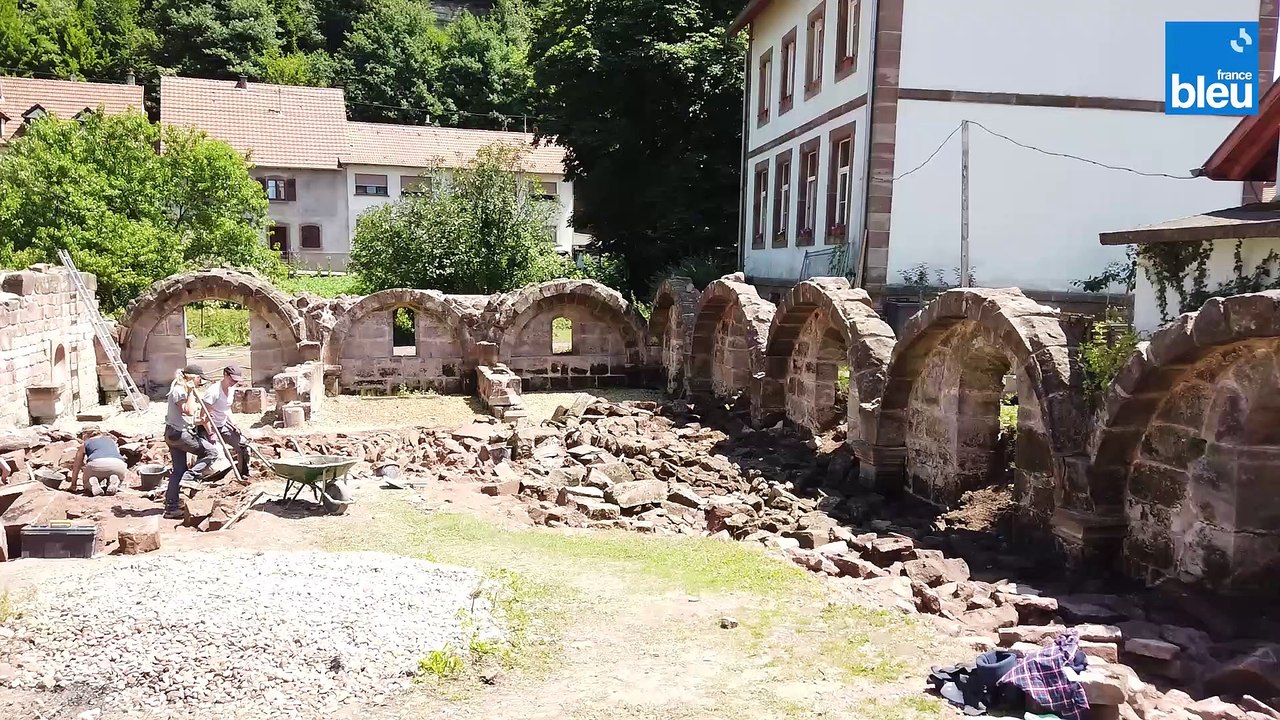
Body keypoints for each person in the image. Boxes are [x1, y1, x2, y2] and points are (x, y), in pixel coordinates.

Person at [163, 364, 228, 520]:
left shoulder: (181, 389)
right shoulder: (180, 390)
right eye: (200, 379)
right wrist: (192, 391)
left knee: (178, 470)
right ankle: (191, 476)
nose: (201, 383)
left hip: (174, 433)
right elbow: (189, 410)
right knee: (211, 452)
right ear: (193, 377)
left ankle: (171, 508)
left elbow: (189, 417)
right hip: (179, 434)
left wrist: (202, 420)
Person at [201, 365, 250, 480]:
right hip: (209, 427)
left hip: (223, 425)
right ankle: (211, 477)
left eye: (236, 380)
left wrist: (234, 424)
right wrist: (210, 432)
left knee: (243, 445)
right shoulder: (213, 392)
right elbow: (203, 415)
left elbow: (227, 409)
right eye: (232, 379)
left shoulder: (231, 389)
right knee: (217, 454)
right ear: (225, 375)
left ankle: (243, 473)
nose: (234, 382)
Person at [69, 426, 127, 496]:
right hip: (118, 464)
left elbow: (76, 466)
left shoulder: (85, 444)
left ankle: (92, 484)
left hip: (96, 464)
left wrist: (73, 485)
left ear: (85, 434)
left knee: (87, 483)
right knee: (116, 477)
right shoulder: (111, 440)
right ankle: (114, 481)